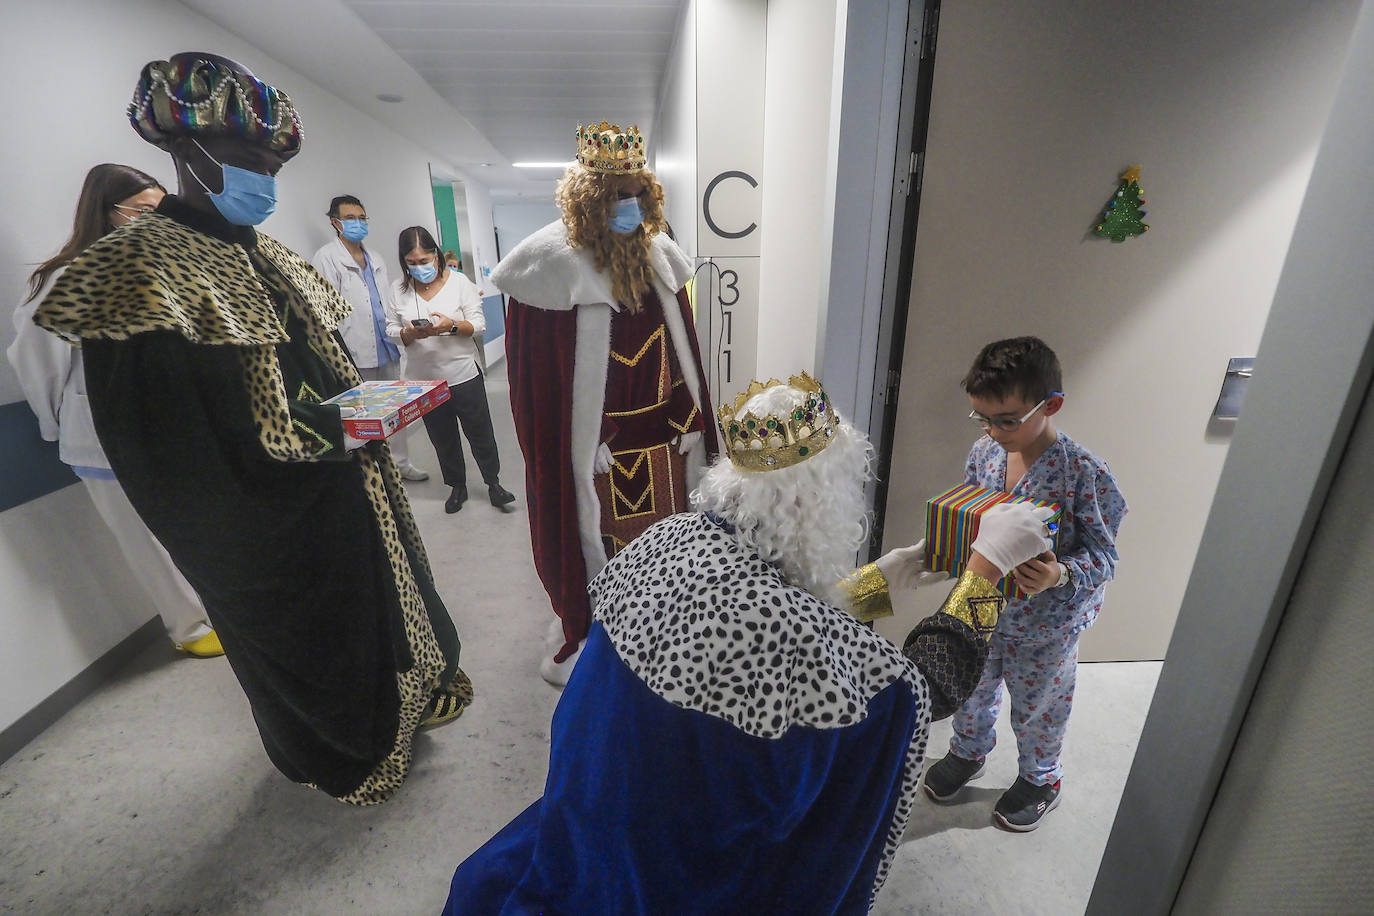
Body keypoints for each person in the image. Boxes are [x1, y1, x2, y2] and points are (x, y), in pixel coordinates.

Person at [442, 373, 1057, 915]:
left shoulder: (672, 535)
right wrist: (985, 572)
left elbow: (781, 623)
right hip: (679, 864)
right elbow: (912, 694)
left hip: (596, 807)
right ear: (815, 500)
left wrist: (886, 577)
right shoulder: (787, 629)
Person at [31, 53, 471, 805]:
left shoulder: (265, 249)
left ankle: (403, 710)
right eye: (244, 161)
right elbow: (161, 446)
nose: (261, 179)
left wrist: (359, 424)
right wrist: (286, 481)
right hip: (266, 520)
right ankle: (350, 756)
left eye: (270, 163)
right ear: (185, 153)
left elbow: (318, 373)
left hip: (350, 482)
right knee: (319, 643)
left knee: (387, 608)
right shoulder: (137, 269)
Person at [491, 120, 717, 686]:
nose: (630, 205)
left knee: (668, 542)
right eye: (617, 196)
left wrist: (690, 417)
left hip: (664, 446)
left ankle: (666, 625)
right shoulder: (548, 265)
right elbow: (536, 384)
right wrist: (579, 440)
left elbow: (683, 348)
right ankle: (600, 631)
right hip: (596, 457)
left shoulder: (659, 255)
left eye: (638, 193)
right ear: (590, 200)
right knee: (603, 547)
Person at [7, 163, 220, 658]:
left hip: (167, 429)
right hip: (99, 435)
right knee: (141, 538)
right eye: (143, 211)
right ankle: (188, 628)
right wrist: (55, 421)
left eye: (160, 210)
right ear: (107, 213)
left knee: (188, 525)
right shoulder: (65, 277)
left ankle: (215, 608)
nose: (156, 221)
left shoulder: (159, 270)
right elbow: (38, 362)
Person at [921, 336, 1128, 831]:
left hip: (1046, 626)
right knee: (972, 687)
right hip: (981, 609)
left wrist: (1059, 574)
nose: (993, 431)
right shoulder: (983, 455)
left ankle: (1041, 778)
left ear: (1050, 404)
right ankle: (969, 751)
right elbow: (973, 521)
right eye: (983, 419)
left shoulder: (1085, 474)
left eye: (1007, 420)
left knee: (1039, 705)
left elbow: (1105, 557)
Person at [388, 225, 514, 515]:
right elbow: (391, 328)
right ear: (403, 261)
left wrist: (451, 326)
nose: (419, 268)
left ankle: (494, 484)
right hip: (425, 382)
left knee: (480, 432)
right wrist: (407, 333)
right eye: (411, 263)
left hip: (462, 375)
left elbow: (478, 325)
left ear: (435, 255)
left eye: (424, 261)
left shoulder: (460, 283)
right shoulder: (398, 290)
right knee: (442, 437)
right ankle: (457, 487)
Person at [311, 194, 429, 481]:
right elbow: (324, 308)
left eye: (362, 218)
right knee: (362, 415)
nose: (358, 223)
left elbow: (384, 302)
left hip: (386, 346)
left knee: (394, 411)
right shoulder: (327, 258)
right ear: (335, 222)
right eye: (350, 218)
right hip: (355, 350)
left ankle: (400, 464)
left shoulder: (374, 257)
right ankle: (373, 471)